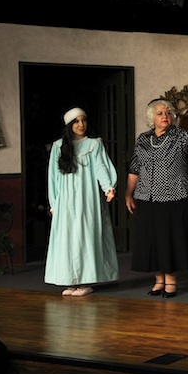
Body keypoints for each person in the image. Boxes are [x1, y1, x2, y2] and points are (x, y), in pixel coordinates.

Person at [125, 98, 188, 298]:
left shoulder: (180, 135)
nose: (165, 116)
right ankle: (159, 280)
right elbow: (134, 169)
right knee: (152, 240)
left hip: (174, 197)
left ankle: (171, 282)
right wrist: (128, 194)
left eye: (167, 113)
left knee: (169, 240)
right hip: (147, 198)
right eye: (160, 113)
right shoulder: (143, 139)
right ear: (152, 118)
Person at [45, 107, 118, 297]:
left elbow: (101, 167)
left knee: (86, 236)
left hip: (87, 198)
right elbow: (53, 177)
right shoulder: (58, 146)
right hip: (66, 200)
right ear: (69, 125)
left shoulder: (94, 144)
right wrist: (54, 203)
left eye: (83, 120)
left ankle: (85, 281)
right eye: (76, 121)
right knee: (68, 237)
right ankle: (70, 280)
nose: (81, 124)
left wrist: (108, 187)